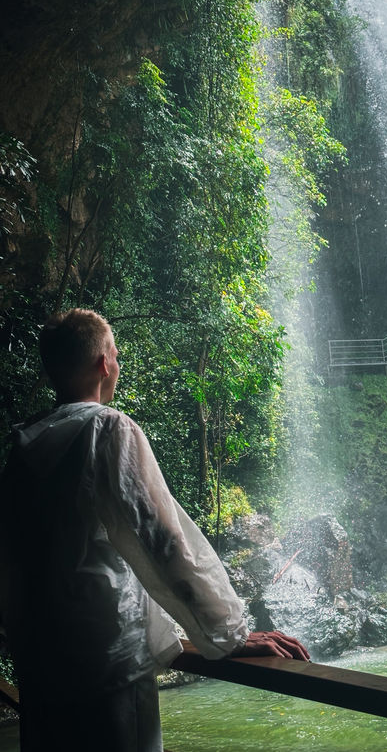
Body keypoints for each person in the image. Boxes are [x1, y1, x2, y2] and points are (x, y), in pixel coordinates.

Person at [0, 308, 309, 752]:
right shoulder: (108, 429)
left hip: (42, 665)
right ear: (104, 363)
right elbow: (163, 540)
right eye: (117, 357)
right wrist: (230, 636)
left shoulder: (26, 447)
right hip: (104, 662)